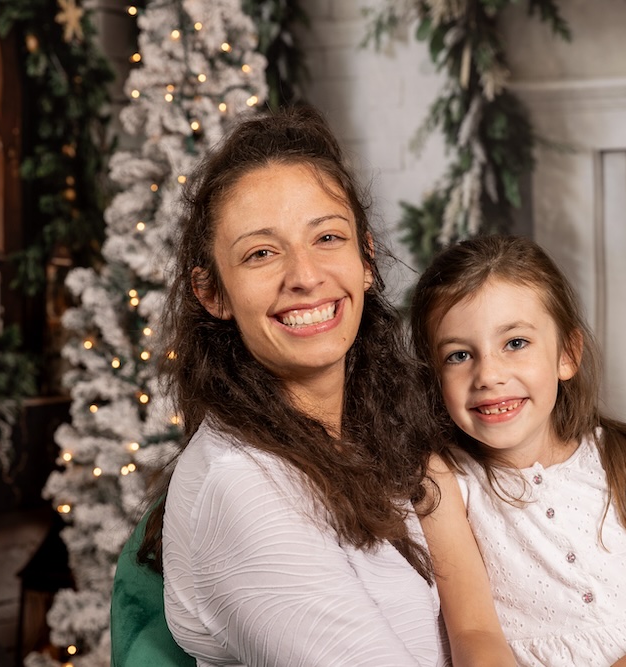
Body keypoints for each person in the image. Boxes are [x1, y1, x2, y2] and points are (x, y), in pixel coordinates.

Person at [139, 104, 450, 666]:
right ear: (213, 294)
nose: (305, 276)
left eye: (328, 237)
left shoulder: (390, 428)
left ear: (366, 259)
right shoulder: (241, 488)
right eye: (262, 253)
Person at [409, 235, 626, 667]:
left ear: (567, 354)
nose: (489, 374)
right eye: (460, 355)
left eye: (515, 343)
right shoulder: (447, 481)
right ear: (434, 376)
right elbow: (474, 634)